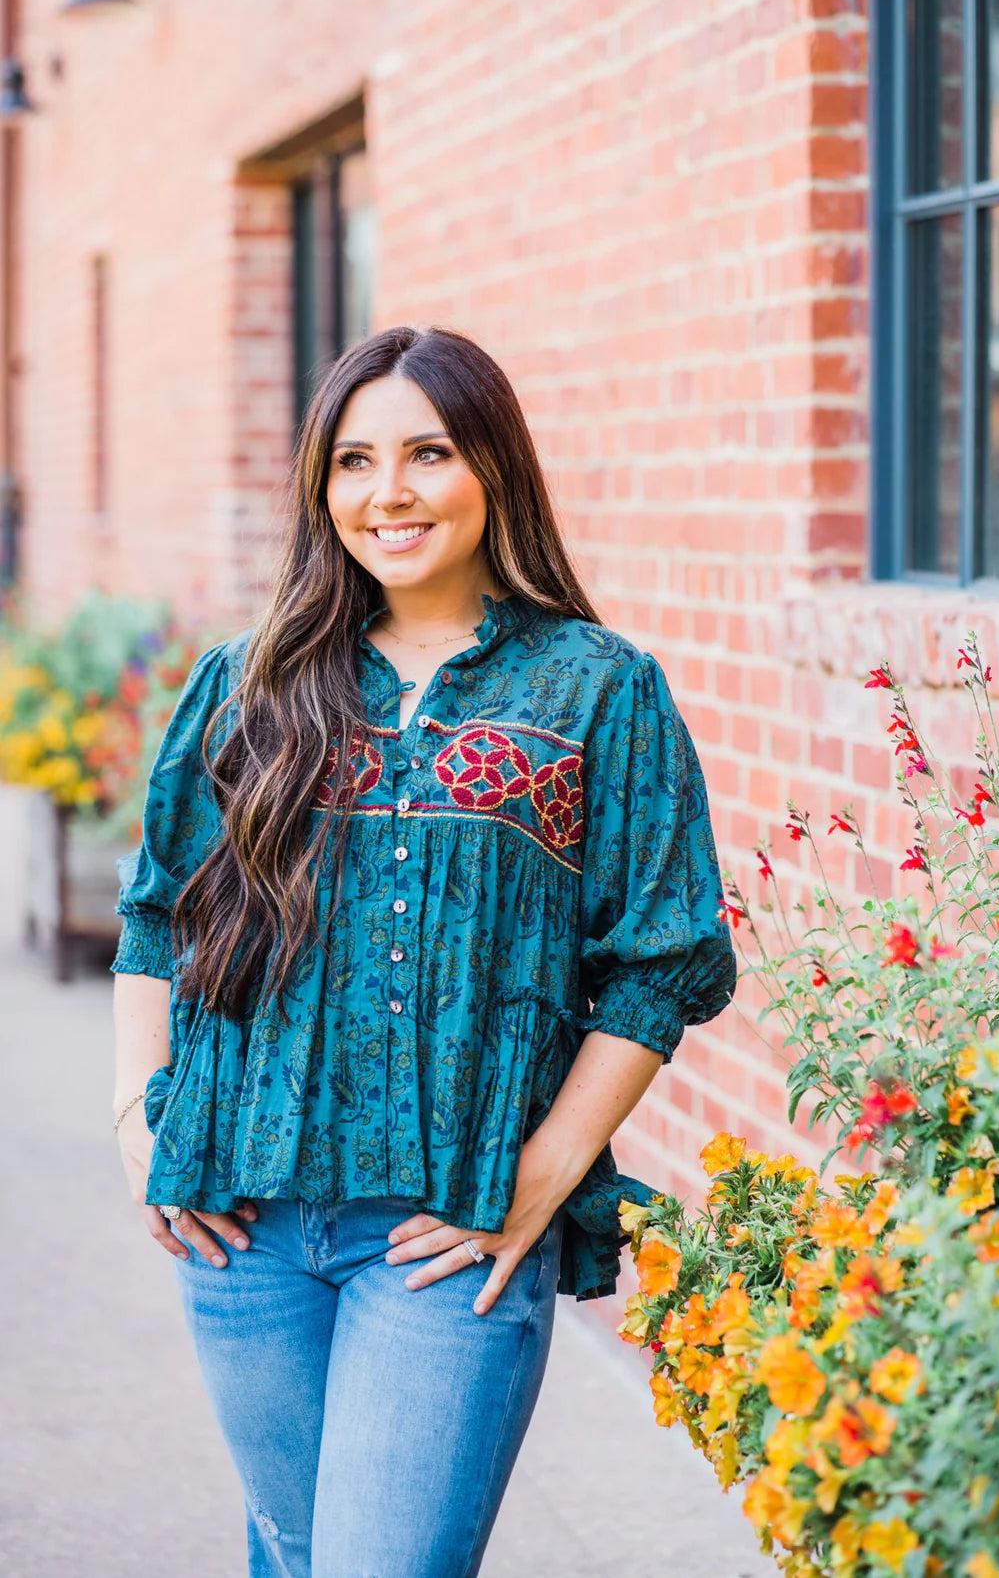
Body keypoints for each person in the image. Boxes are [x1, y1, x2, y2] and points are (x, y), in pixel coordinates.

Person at [110, 323, 737, 1578]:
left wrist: (547, 1170)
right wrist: (139, 1120)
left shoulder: (597, 688)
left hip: (448, 1227)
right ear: (320, 485)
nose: (386, 492)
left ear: (493, 466)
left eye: (428, 453)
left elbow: (662, 962)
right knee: (296, 1557)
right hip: (238, 1220)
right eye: (353, 461)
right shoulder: (249, 680)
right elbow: (161, 915)